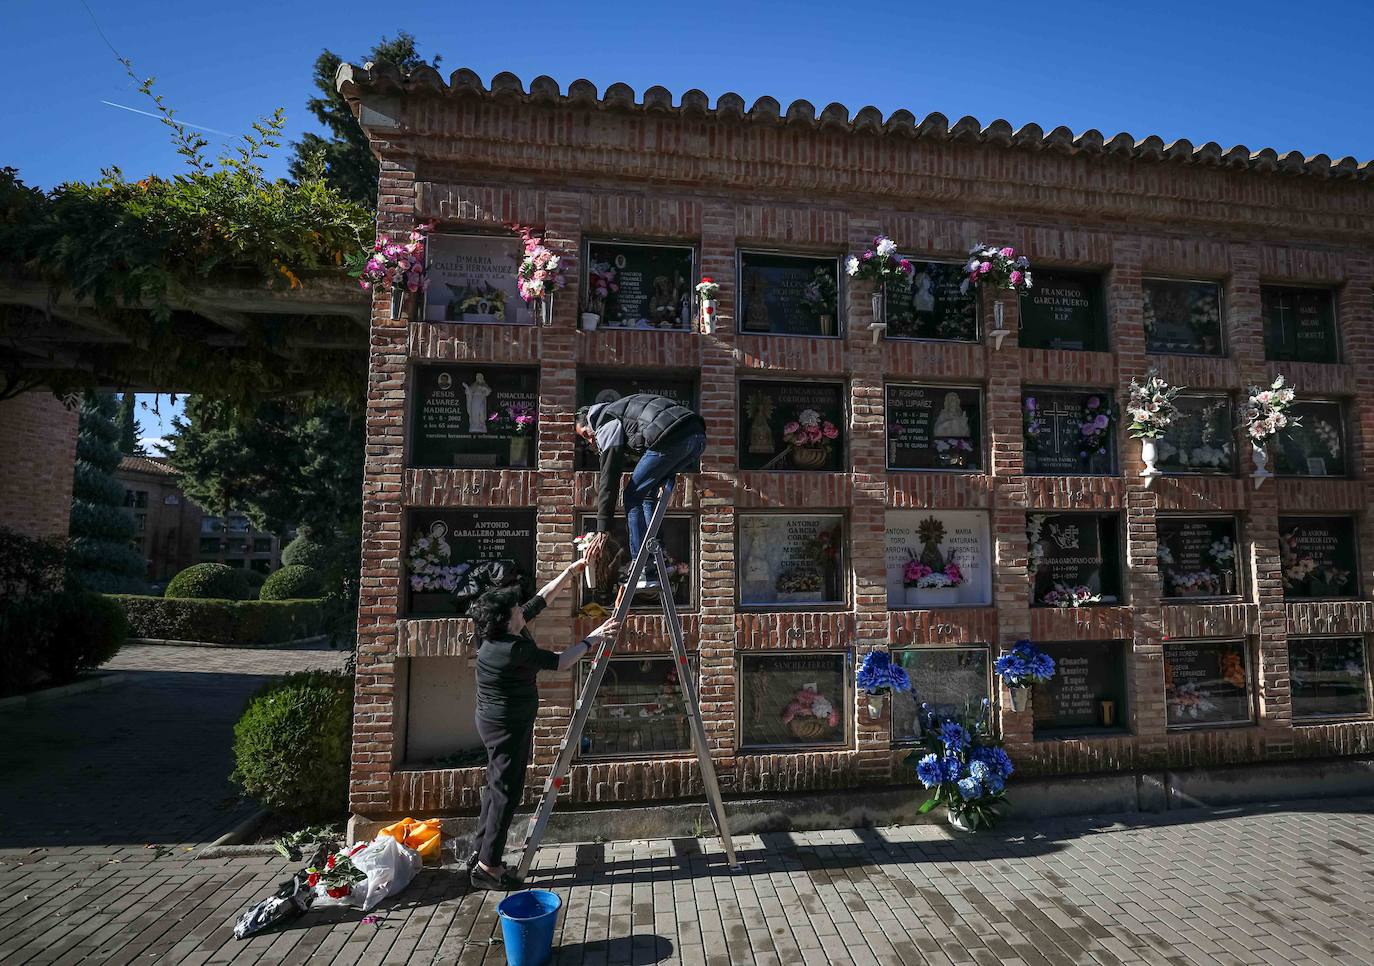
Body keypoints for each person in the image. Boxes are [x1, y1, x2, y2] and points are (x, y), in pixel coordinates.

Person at [467, 562, 621, 890]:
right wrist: (593, 638)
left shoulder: (495, 633)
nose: (519, 608)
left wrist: (571, 572)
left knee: (496, 786)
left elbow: (541, 600)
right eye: (514, 608)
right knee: (506, 794)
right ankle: (487, 868)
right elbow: (560, 661)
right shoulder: (513, 649)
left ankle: (481, 853)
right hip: (506, 726)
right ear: (506, 619)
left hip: (492, 720)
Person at [574, 393, 706, 591]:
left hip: (671, 437)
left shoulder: (605, 422)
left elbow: (609, 478)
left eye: (586, 435)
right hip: (696, 437)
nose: (590, 441)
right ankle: (658, 556)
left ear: (589, 422)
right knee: (647, 494)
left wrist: (603, 528)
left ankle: (642, 565)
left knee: (631, 496)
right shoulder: (620, 413)